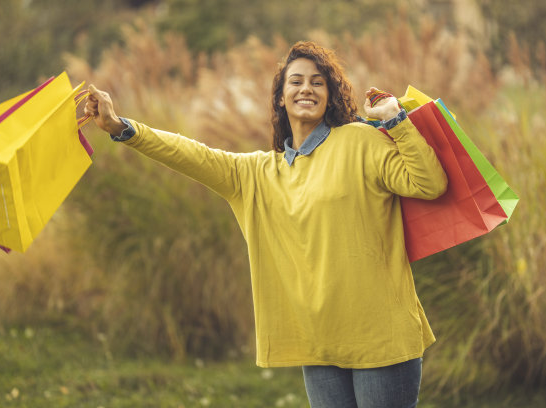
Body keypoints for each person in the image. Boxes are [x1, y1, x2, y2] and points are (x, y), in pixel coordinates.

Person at [85, 41, 447, 408]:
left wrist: (394, 119)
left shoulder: (360, 141)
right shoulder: (257, 174)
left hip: (381, 339)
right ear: (280, 97)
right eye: (296, 81)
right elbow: (190, 153)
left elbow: (429, 184)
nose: (306, 88)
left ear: (330, 95)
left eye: (318, 82)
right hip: (319, 343)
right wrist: (120, 127)